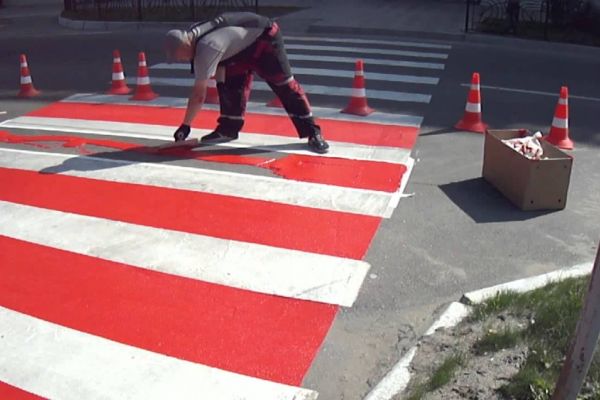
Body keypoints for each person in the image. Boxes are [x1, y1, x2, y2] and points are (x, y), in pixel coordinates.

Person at [164, 12, 329, 154]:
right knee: (229, 83)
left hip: (265, 38)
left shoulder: (207, 47)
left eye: (179, 56)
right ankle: (228, 129)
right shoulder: (193, 35)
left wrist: (186, 125)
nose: (180, 60)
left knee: (285, 85)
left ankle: (313, 132)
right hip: (241, 47)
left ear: (185, 45)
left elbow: (199, 95)